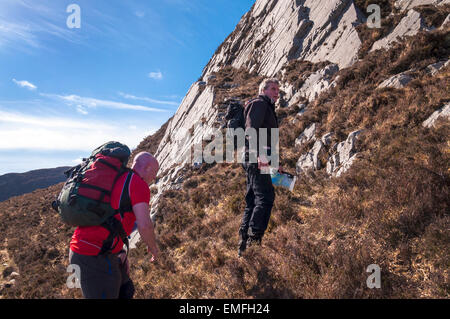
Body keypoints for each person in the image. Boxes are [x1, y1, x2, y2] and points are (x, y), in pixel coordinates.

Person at [69, 152, 160, 299]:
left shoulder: (120, 178)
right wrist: (153, 248)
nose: (154, 177)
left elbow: (111, 217)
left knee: (126, 290)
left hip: (95, 250)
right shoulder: (138, 184)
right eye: (154, 172)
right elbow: (145, 225)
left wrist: (119, 251)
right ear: (147, 168)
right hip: (93, 256)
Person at [238, 78, 280, 257]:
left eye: (278, 90)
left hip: (257, 157)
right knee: (265, 197)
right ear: (263, 90)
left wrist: (275, 164)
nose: (276, 92)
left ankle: (243, 245)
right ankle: (253, 242)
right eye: (273, 89)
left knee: (253, 200)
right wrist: (261, 156)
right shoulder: (260, 104)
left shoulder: (266, 107)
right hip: (256, 157)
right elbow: (251, 131)